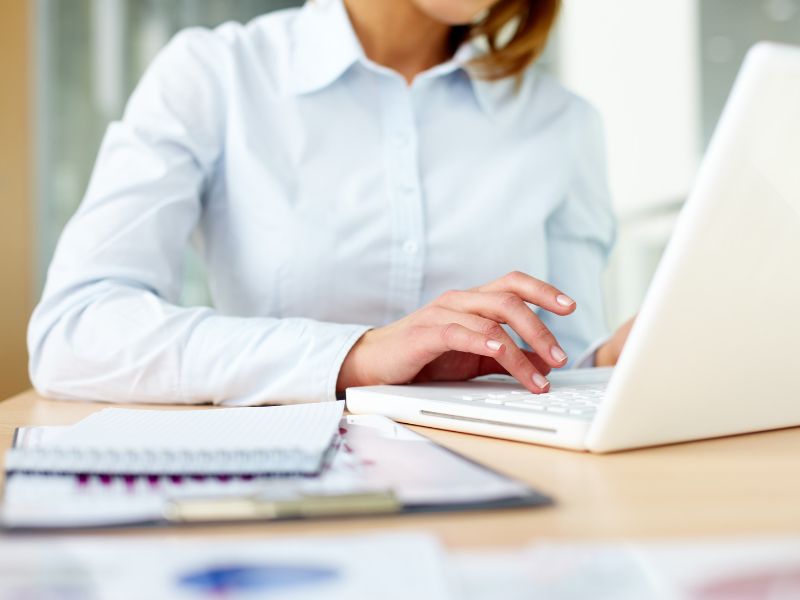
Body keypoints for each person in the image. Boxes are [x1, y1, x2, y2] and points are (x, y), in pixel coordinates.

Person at [28, 0, 632, 406]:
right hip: (285, 494)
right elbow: (74, 332)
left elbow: (563, 359)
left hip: (511, 502)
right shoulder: (216, 75)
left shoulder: (564, 122)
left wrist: (622, 357)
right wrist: (354, 356)